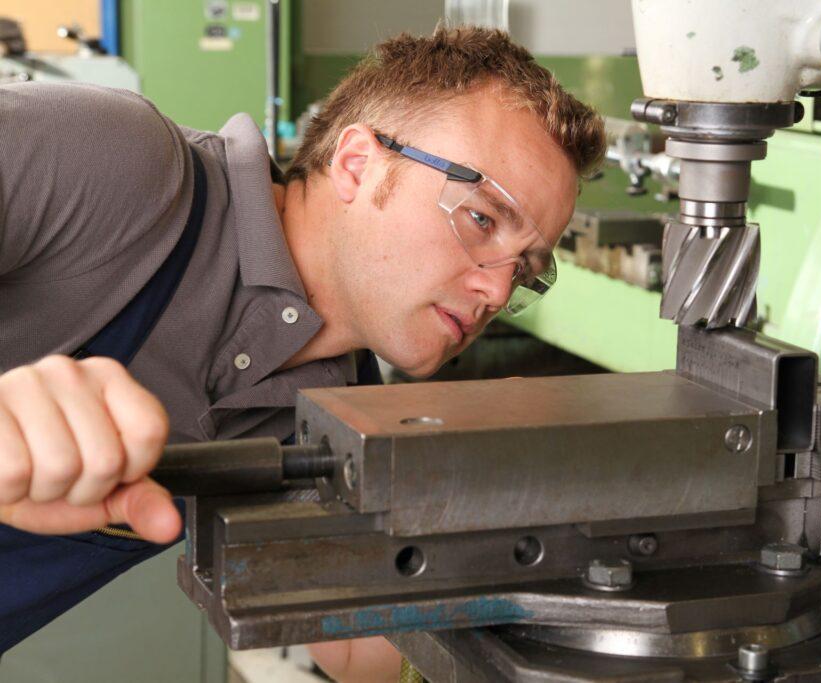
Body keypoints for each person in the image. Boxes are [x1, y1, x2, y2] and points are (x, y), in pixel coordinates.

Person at [0, 25, 605, 682]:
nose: (495, 286)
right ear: (357, 163)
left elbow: (361, 657)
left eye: (525, 270)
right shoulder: (117, 163)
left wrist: (495, 501)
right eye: (483, 219)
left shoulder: (340, 425)